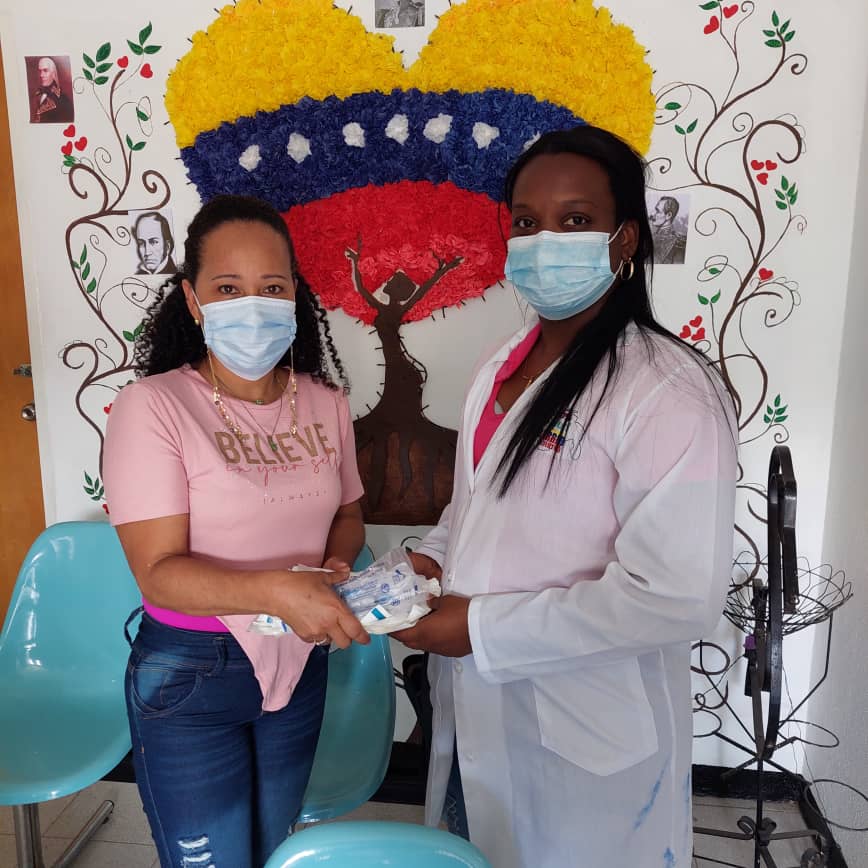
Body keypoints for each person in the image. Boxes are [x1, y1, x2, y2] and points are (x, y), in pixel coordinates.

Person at [393, 125, 738, 868]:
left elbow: (676, 597)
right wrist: (429, 559)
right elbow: (477, 507)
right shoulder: (500, 366)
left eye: (575, 220)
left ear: (625, 240)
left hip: (586, 738)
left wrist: (479, 628)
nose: (544, 241)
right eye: (526, 222)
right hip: (476, 712)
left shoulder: (665, 388)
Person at [103, 194, 370, 868]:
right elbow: (158, 573)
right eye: (227, 288)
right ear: (193, 301)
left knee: (274, 849)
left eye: (271, 287)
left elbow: (347, 515)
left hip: (301, 658)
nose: (252, 306)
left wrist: (336, 568)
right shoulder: (153, 407)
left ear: (294, 297)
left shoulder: (326, 402)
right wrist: (279, 591)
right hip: (192, 673)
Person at [30, 56, 73, 123]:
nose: (41, 75)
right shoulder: (36, 95)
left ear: (53, 73)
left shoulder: (63, 100)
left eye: (45, 70)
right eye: (40, 71)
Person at [650, 194, 688, 264]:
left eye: (657, 211)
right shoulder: (651, 236)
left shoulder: (678, 243)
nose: (652, 214)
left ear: (668, 215)